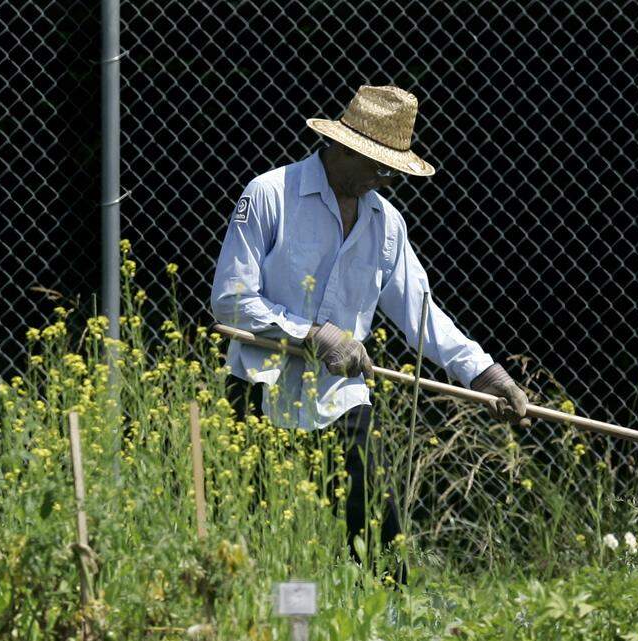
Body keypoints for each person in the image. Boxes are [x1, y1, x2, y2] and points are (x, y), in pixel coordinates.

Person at [209, 85, 530, 581]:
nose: (386, 180)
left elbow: (422, 314)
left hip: (340, 396)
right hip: (260, 385)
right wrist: (311, 335)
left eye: (391, 170)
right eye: (379, 167)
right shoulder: (271, 194)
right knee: (260, 534)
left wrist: (483, 373)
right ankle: (274, 627)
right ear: (343, 147)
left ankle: (383, 627)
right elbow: (231, 300)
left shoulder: (386, 223)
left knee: (378, 532)